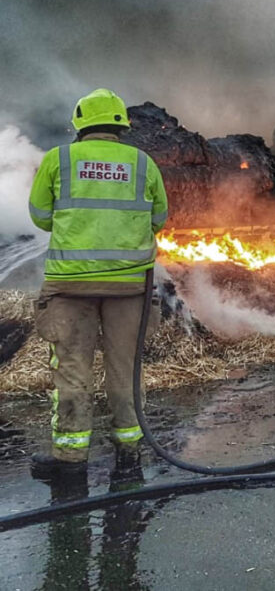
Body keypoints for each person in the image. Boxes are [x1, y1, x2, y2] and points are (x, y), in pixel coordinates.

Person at [27, 88, 168, 482]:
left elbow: (40, 216)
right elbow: (159, 217)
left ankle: (71, 461)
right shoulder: (143, 163)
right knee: (126, 372)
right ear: (121, 125)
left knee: (73, 371)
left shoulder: (60, 159)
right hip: (128, 288)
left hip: (71, 289)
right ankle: (129, 457)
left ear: (80, 123)